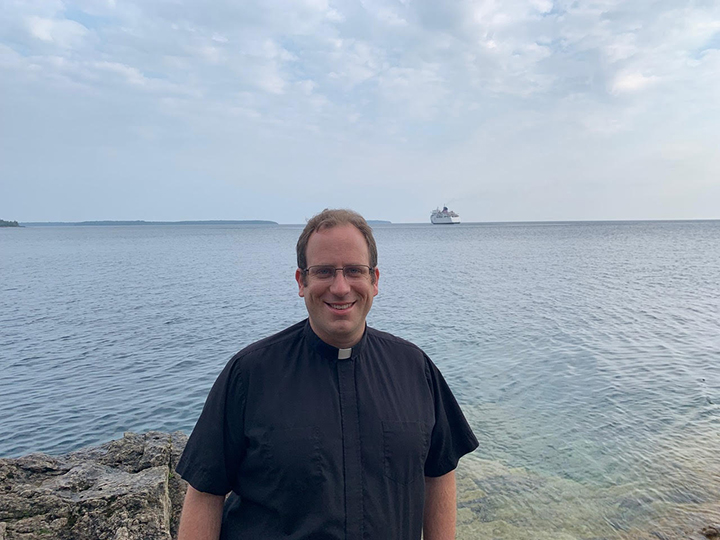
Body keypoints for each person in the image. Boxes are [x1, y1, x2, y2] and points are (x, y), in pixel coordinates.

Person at [176, 208, 478, 540]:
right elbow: (205, 492)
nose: (340, 287)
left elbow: (440, 473)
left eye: (354, 271)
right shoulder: (249, 374)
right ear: (301, 282)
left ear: (374, 280)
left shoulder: (415, 369)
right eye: (323, 271)